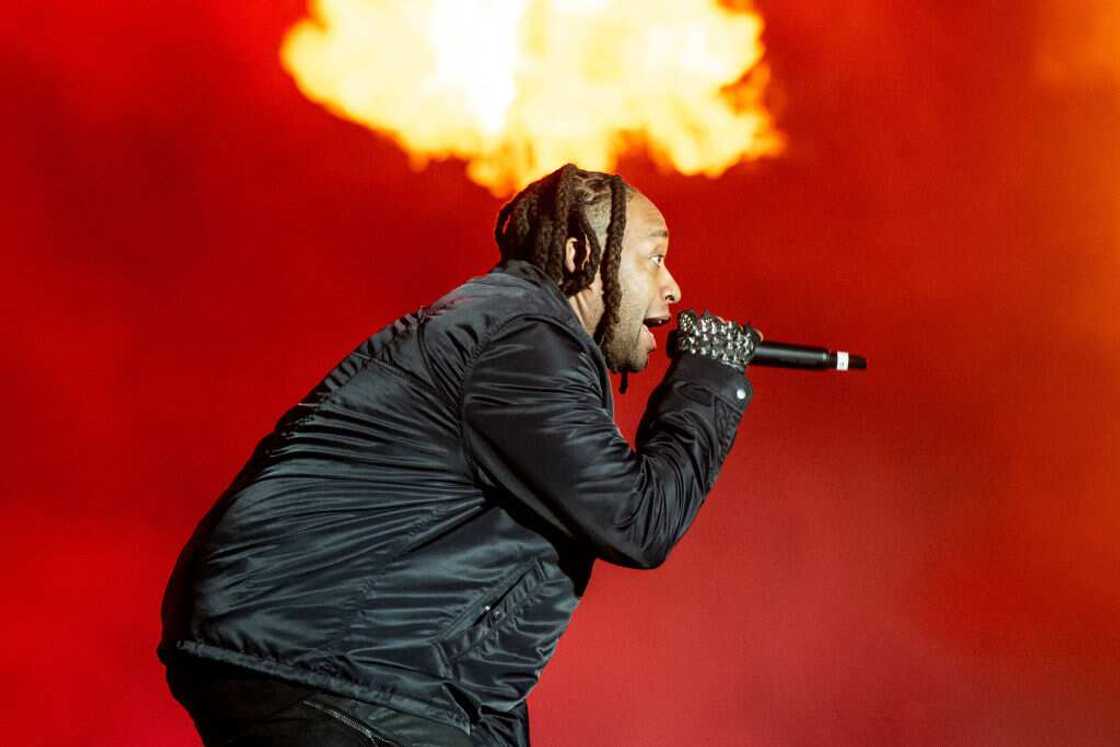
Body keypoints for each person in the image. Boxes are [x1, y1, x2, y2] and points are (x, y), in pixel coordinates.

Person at [159, 163, 762, 746]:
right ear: (581, 254)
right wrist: (709, 381)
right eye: (654, 258)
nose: (673, 287)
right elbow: (636, 519)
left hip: (341, 663)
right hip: (337, 663)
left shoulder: (500, 323)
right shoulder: (525, 337)